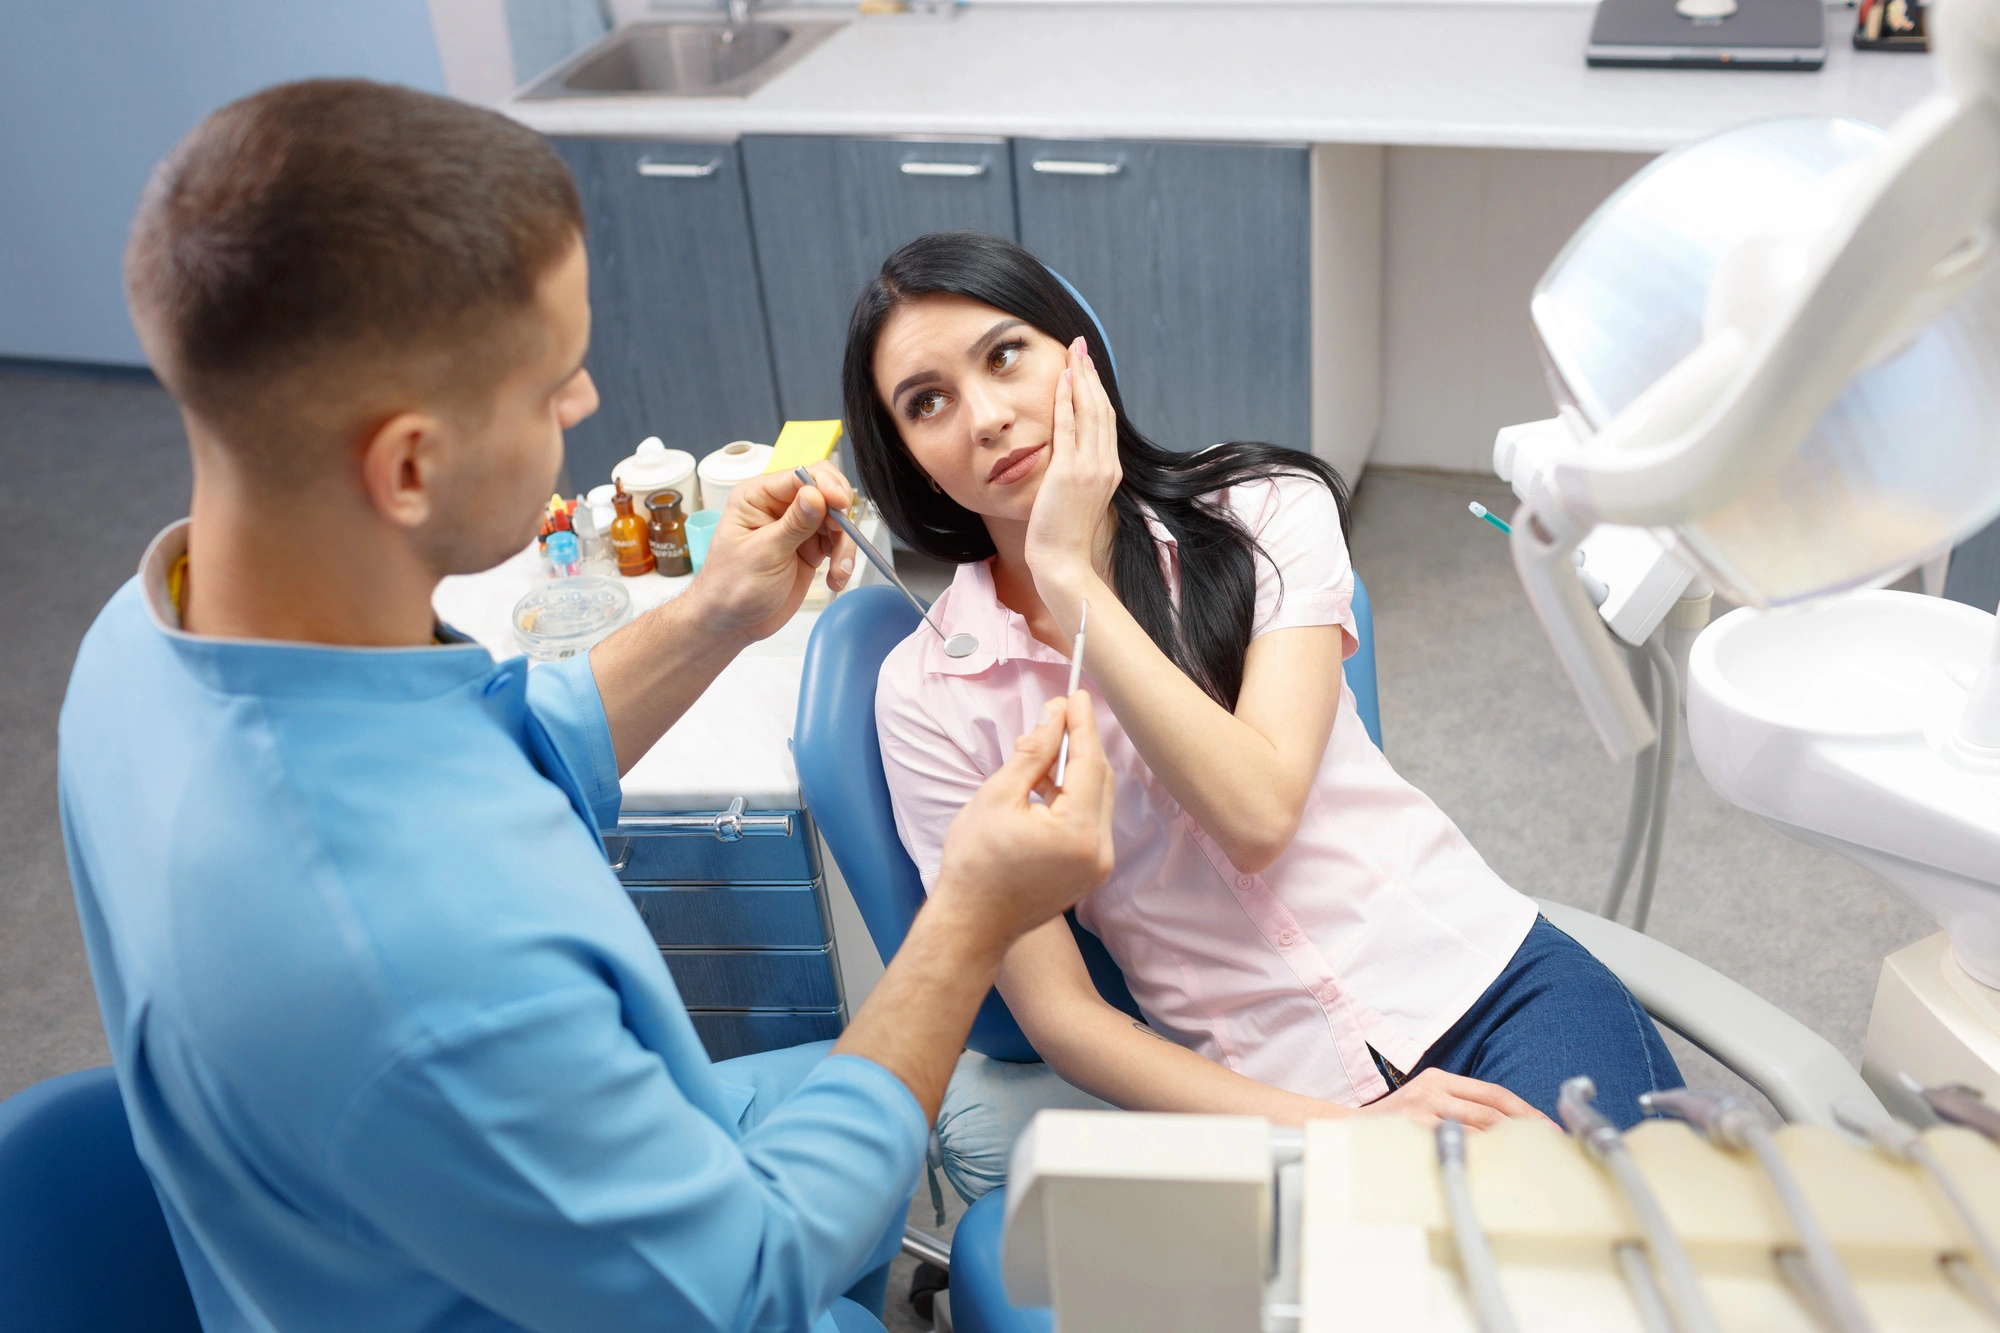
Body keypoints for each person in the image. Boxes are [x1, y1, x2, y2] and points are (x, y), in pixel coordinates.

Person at [57, 84, 1118, 1333]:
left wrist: (711, 614)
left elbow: (481, 754)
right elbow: (746, 1280)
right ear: (409, 466)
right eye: (552, 383)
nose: (584, 401)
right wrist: (969, 913)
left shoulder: (152, 634)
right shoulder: (409, 955)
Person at [848, 231, 1684, 1201]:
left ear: (1074, 354)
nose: (985, 417)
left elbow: (1256, 813)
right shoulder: (929, 694)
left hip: (1493, 985)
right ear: (901, 452)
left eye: (1002, 356)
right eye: (927, 402)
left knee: (1609, 1270)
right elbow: (1059, 1016)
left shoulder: (1263, 509)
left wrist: (1069, 578)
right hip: (1276, 1104)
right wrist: (1344, 1135)